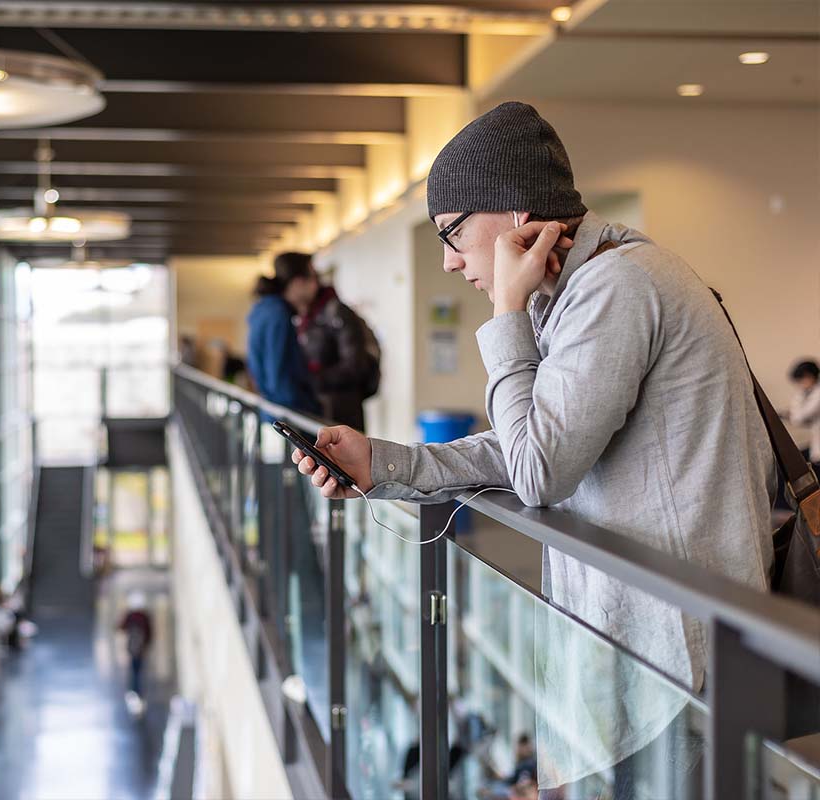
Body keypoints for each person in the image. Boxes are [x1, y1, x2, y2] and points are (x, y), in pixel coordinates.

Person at [292, 102, 774, 797]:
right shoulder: (584, 288)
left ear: (517, 216)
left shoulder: (616, 286)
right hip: (635, 653)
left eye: (453, 233)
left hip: (672, 664)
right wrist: (386, 466)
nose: (450, 261)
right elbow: (528, 443)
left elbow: (538, 470)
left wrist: (506, 317)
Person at [275, 252, 381, 430]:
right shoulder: (305, 318)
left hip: (342, 415)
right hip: (319, 412)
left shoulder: (336, 312)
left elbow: (355, 366)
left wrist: (309, 380)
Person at [246, 258, 321, 416]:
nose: (316, 286)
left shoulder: (266, 309)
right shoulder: (278, 315)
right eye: (313, 278)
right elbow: (278, 379)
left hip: (273, 411)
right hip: (287, 416)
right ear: (298, 282)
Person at [118, 591, 154, 703]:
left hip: (132, 647)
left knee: (133, 669)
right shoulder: (145, 616)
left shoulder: (130, 616)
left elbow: (120, 627)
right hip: (141, 648)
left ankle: (134, 690)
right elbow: (150, 632)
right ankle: (138, 691)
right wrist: (148, 644)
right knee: (139, 669)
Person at [789, 359, 820, 467]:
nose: (800, 385)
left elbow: (798, 417)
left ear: (809, 376)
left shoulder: (817, 393)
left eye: (801, 380)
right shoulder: (807, 393)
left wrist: (799, 397)